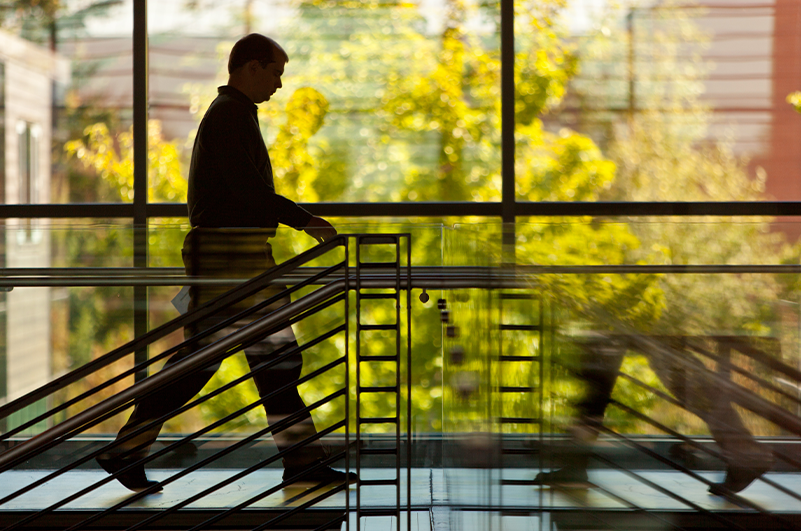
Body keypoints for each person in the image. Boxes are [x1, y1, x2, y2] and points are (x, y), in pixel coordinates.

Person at [97, 33, 355, 492]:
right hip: (233, 255)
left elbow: (240, 189)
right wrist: (303, 219)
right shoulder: (231, 116)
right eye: (274, 72)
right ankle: (128, 449)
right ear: (251, 67)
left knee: (244, 360)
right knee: (241, 360)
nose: (278, 83)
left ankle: (299, 460)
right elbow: (247, 190)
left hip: (233, 254)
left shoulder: (231, 115)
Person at [535, 334, 774, 495]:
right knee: (601, 372)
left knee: (682, 381)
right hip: (632, 295)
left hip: (634, 296)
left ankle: (745, 453)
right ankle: (744, 452)